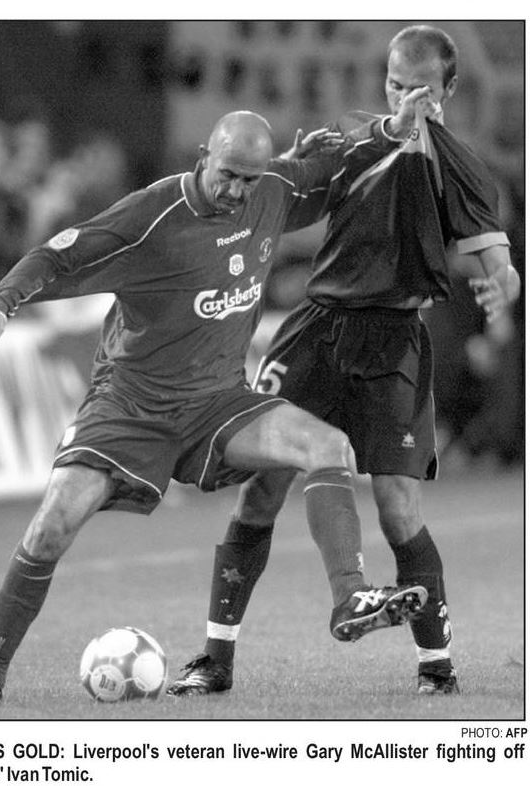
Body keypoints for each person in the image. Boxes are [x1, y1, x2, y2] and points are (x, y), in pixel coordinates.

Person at [0, 102, 428, 702]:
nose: (237, 190)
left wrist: (391, 128)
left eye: (249, 179)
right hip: (130, 406)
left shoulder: (270, 187)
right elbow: (59, 253)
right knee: (50, 528)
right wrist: (1, 302)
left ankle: (350, 597)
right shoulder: (152, 215)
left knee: (328, 445)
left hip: (217, 403)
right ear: (204, 156)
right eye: (227, 174)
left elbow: (332, 166)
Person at [167, 26, 520, 698]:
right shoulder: (355, 135)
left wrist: (504, 283)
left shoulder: (465, 170)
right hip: (317, 331)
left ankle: (437, 665)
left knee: (397, 506)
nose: (405, 99)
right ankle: (215, 659)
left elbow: (497, 258)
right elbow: (291, 193)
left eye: (419, 89)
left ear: (448, 89)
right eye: (394, 85)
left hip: (394, 343)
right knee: (262, 487)